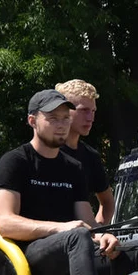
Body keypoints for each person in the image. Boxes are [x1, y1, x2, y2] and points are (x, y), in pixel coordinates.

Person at [0, 89, 138, 275]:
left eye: (66, 118)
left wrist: (102, 236)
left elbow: (87, 223)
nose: (61, 124)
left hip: (77, 252)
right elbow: (6, 223)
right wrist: (63, 228)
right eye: (53, 118)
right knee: (76, 237)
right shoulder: (15, 161)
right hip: (31, 260)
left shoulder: (73, 168)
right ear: (32, 121)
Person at [55, 79, 114, 225]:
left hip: (84, 237)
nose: (90, 118)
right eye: (83, 110)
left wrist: (98, 231)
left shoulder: (91, 156)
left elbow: (107, 202)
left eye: (93, 111)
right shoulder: (46, 153)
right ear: (64, 111)